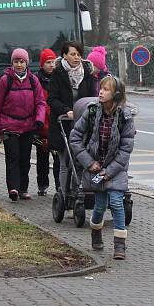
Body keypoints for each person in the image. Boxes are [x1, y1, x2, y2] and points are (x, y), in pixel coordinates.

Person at [69, 76, 135, 260]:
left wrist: (111, 171)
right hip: (95, 168)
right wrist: (89, 163)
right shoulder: (91, 112)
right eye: (101, 88)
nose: (101, 92)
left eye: (106, 89)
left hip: (116, 168)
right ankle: (96, 232)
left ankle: (119, 245)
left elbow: (126, 148)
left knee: (116, 203)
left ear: (116, 94)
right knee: (99, 207)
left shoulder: (125, 116)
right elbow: (75, 138)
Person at [0, 48, 47, 201]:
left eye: (22, 61)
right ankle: (13, 188)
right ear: (12, 63)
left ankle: (23, 188)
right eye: (16, 61)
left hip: (28, 126)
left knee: (25, 159)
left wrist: (39, 119)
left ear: (26, 63)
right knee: (12, 158)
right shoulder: (5, 80)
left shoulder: (33, 80)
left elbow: (40, 101)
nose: (19, 64)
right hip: (9, 125)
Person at [48, 42, 98, 200]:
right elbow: (52, 98)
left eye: (78, 54)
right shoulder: (58, 74)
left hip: (83, 124)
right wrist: (66, 111)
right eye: (72, 54)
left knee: (81, 161)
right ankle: (64, 195)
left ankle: (79, 192)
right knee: (65, 163)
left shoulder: (87, 74)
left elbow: (92, 97)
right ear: (64, 55)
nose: (76, 57)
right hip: (63, 123)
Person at [34, 48, 59, 196]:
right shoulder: (36, 81)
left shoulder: (59, 79)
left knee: (58, 159)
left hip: (56, 125)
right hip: (42, 126)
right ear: (42, 64)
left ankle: (59, 186)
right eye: (48, 62)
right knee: (42, 159)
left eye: (53, 62)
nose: (51, 65)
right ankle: (42, 184)